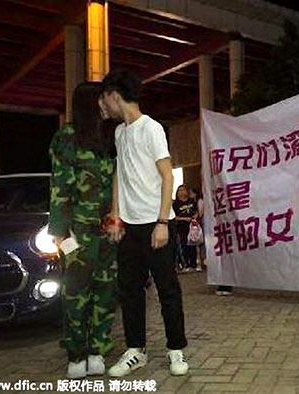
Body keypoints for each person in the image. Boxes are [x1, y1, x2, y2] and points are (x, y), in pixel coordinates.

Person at [99, 69, 189, 377]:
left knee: (167, 290)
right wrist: (115, 216)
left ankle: (176, 350)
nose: (103, 106)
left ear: (114, 95)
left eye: (104, 98)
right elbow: (118, 178)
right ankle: (135, 350)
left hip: (157, 223)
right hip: (130, 227)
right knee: (130, 291)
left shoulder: (151, 128)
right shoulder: (119, 133)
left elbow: (167, 176)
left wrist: (163, 221)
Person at [48, 82, 118, 379]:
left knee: (105, 291)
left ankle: (97, 350)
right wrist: (61, 233)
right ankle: (76, 353)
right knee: (76, 293)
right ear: (90, 102)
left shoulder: (107, 137)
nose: (106, 103)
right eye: (102, 98)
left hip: (107, 231)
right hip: (76, 231)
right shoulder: (67, 137)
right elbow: (59, 187)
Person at [173, 185, 198, 272]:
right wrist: (184, 219)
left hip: (192, 227)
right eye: (180, 190)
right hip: (181, 228)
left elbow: (196, 211)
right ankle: (185, 264)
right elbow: (173, 216)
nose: (182, 192)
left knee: (193, 245)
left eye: (184, 190)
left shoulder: (192, 201)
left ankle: (193, 264)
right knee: (184, 246)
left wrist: (194, 217)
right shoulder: (175, 204)